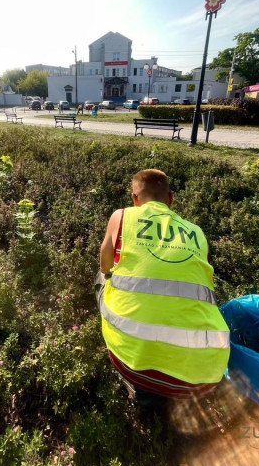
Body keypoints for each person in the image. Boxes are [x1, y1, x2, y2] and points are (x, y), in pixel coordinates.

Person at [96, 168, 230, 413]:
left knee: (103, 276)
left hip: (135, 364)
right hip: (207, 374)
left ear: (135, 199)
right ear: (171, 199)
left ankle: (142, 395)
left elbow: (105, 265)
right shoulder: (197, 233)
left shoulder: (122, 216)